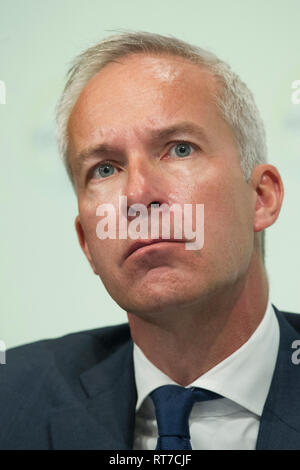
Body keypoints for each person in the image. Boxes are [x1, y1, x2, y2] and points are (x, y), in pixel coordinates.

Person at [1, 31, 300, 450]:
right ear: (88, 242)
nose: (138, 195)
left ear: (261, 198)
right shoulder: (10, 400)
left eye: (179, 149)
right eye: (105, 169)